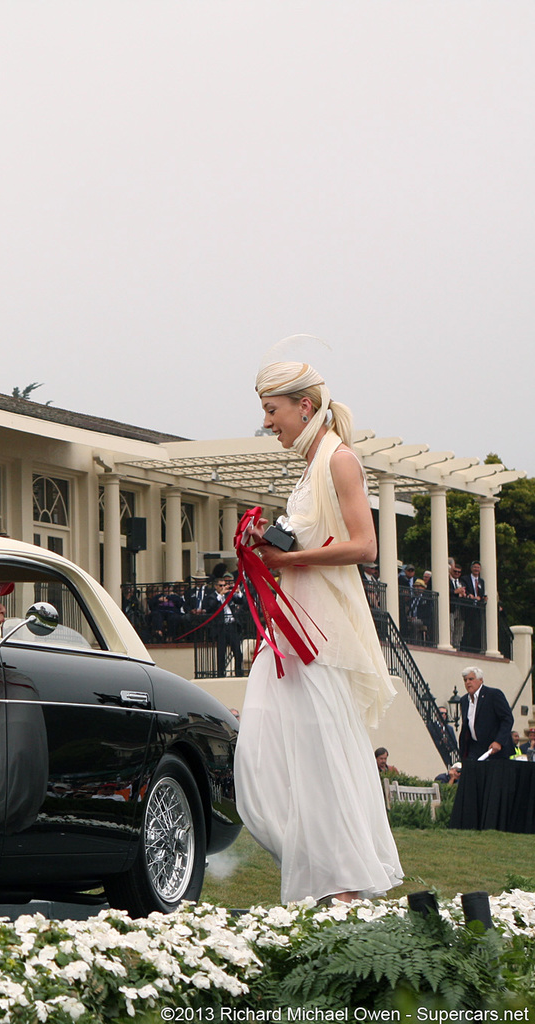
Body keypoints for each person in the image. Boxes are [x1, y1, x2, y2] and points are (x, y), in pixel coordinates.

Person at [235, 358, 402, 905]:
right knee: (264, 759)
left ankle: (342, 889)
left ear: (304, 406)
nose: (267, 423)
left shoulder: (340, 460)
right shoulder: (312, 465)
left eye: (272, 410)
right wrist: (272, 547)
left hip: (319, 637)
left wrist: (290, 558)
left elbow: (365, 547)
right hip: (290, 633)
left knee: (324, 757)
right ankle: (325, 876)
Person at [457, 666, 514, 764]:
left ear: (480, 680)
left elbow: (507, 719)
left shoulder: (493, 695)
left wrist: (499, 741)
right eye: (465, 680)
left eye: (471, 679)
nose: (468, 682)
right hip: (474, 749)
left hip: (494, 749)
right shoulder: (464, 701)